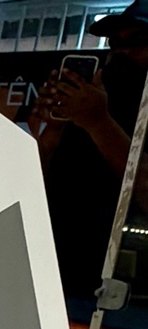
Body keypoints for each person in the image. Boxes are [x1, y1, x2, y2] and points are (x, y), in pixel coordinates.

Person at [33, 1, 148, 296]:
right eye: (115, 42)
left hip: (123, 291)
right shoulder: (94, 100)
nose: (122, 51)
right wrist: (51, 131)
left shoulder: (96, 112)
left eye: (138, 40)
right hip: (51, 271)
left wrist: (98, 123)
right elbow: (31, 189)